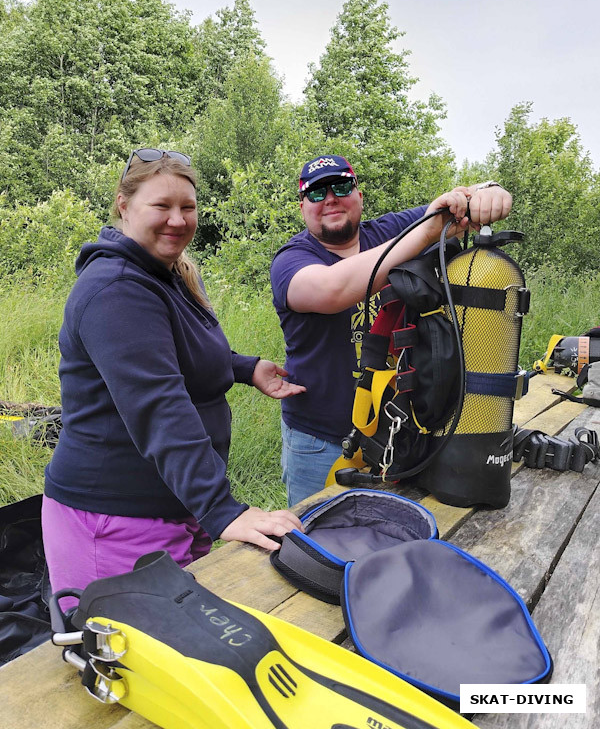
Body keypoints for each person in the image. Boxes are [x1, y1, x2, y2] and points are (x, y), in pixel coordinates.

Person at [42, 148, 304, 599]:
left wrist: (245, 368)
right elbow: (159, 405)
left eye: (188, 207)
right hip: (116, 520)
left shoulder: (167, 274)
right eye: (161, 206)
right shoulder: (116, 290)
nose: (178, 220)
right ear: (124, 205)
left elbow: (177, 354)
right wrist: (223, 510)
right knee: (129, 659)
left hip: (175, 505)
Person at [270, 155, 512, 506]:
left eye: (341, 186)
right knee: (319, 541)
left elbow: (455, 201)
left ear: (359, 194)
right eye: (316, 192)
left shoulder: (389, 231)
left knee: (394, 537)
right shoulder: (290, 260)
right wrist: (427, 231)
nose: (331, 198)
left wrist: (488, 191)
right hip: (319, 441)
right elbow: (332, 289)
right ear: (303, 206)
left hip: (403, 432)